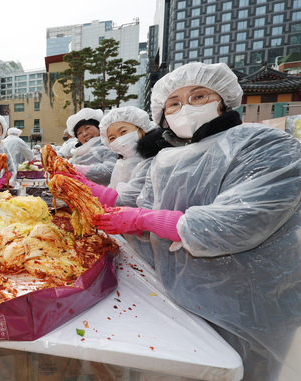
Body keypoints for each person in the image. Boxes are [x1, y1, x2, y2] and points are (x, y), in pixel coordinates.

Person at [97, 62, 301, 381]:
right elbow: (140, 209)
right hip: (181, 292)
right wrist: (128, 221)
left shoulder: (265, 144)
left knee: (245, 371)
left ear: (223, 100)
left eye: (198, 96)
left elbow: (238, 223)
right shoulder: (166, 160)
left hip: (250, 299)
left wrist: (147, 219)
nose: (185, 108)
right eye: (174, 103)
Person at [66, 108, 117, 185]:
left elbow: (109, 171)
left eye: (87, 128)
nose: (84, 134)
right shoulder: (79, 152)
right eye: (79, 133)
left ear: (98, 128)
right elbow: (70, 165)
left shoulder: (108, 147)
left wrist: (78, 169)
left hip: (103, 193)